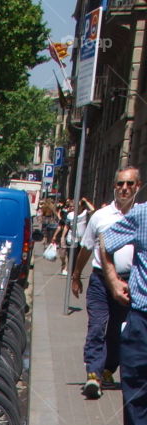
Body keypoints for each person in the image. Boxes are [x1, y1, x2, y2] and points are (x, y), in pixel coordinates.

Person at [71, 167, 141, 400]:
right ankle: (93, 374)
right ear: (114, 187)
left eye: (130, 184)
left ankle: (108, 369)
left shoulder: (141, 216)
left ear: (137, 187)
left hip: (132, 283)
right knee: (97, 326)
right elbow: (86, 248)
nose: (124, 188)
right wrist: (76, 274)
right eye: (120, 184)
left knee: (120, 331)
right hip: (101, 280)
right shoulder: (100, 217)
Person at [103, 193, 147, 425]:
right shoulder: (142, 215)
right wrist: (112, 279)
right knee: (136, 388)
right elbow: (106, 243)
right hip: (142, 317)